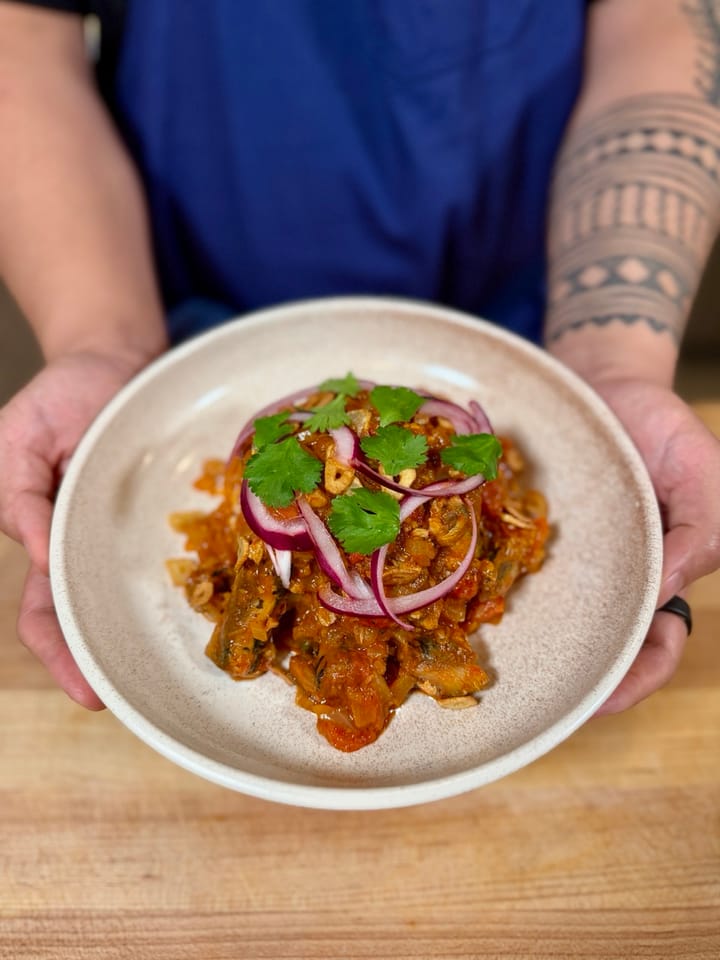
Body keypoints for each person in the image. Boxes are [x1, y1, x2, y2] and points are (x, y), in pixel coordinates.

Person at [0, 0, 718, 715]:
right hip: (176, 304)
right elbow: (22, 36)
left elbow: (658, 18)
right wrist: (105, 343)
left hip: (530, 312)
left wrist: (609, 365)